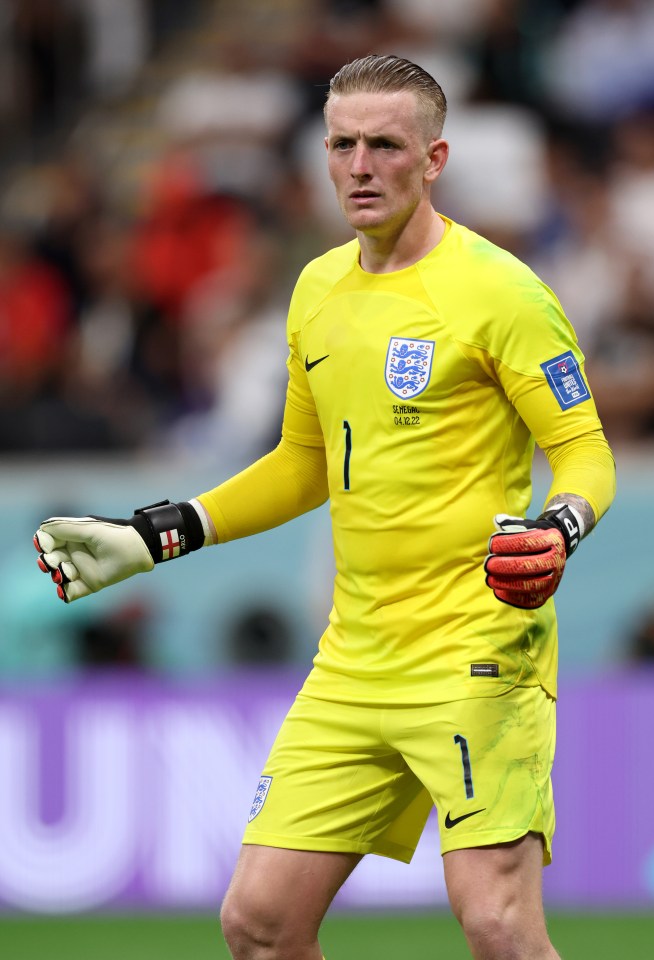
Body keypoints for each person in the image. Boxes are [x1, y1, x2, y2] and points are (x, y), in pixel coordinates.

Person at [34, 55, 616, 960]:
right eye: (341, 144)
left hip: (474, 654)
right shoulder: (316, 290)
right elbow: (303, 464)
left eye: (385, 145)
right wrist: (159, 533)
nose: (358, 166)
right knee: (259, 925)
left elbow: (583, 452)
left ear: (433, 159)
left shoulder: (501, 292)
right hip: (353, 662)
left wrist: (559, 526)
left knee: (498, 924)